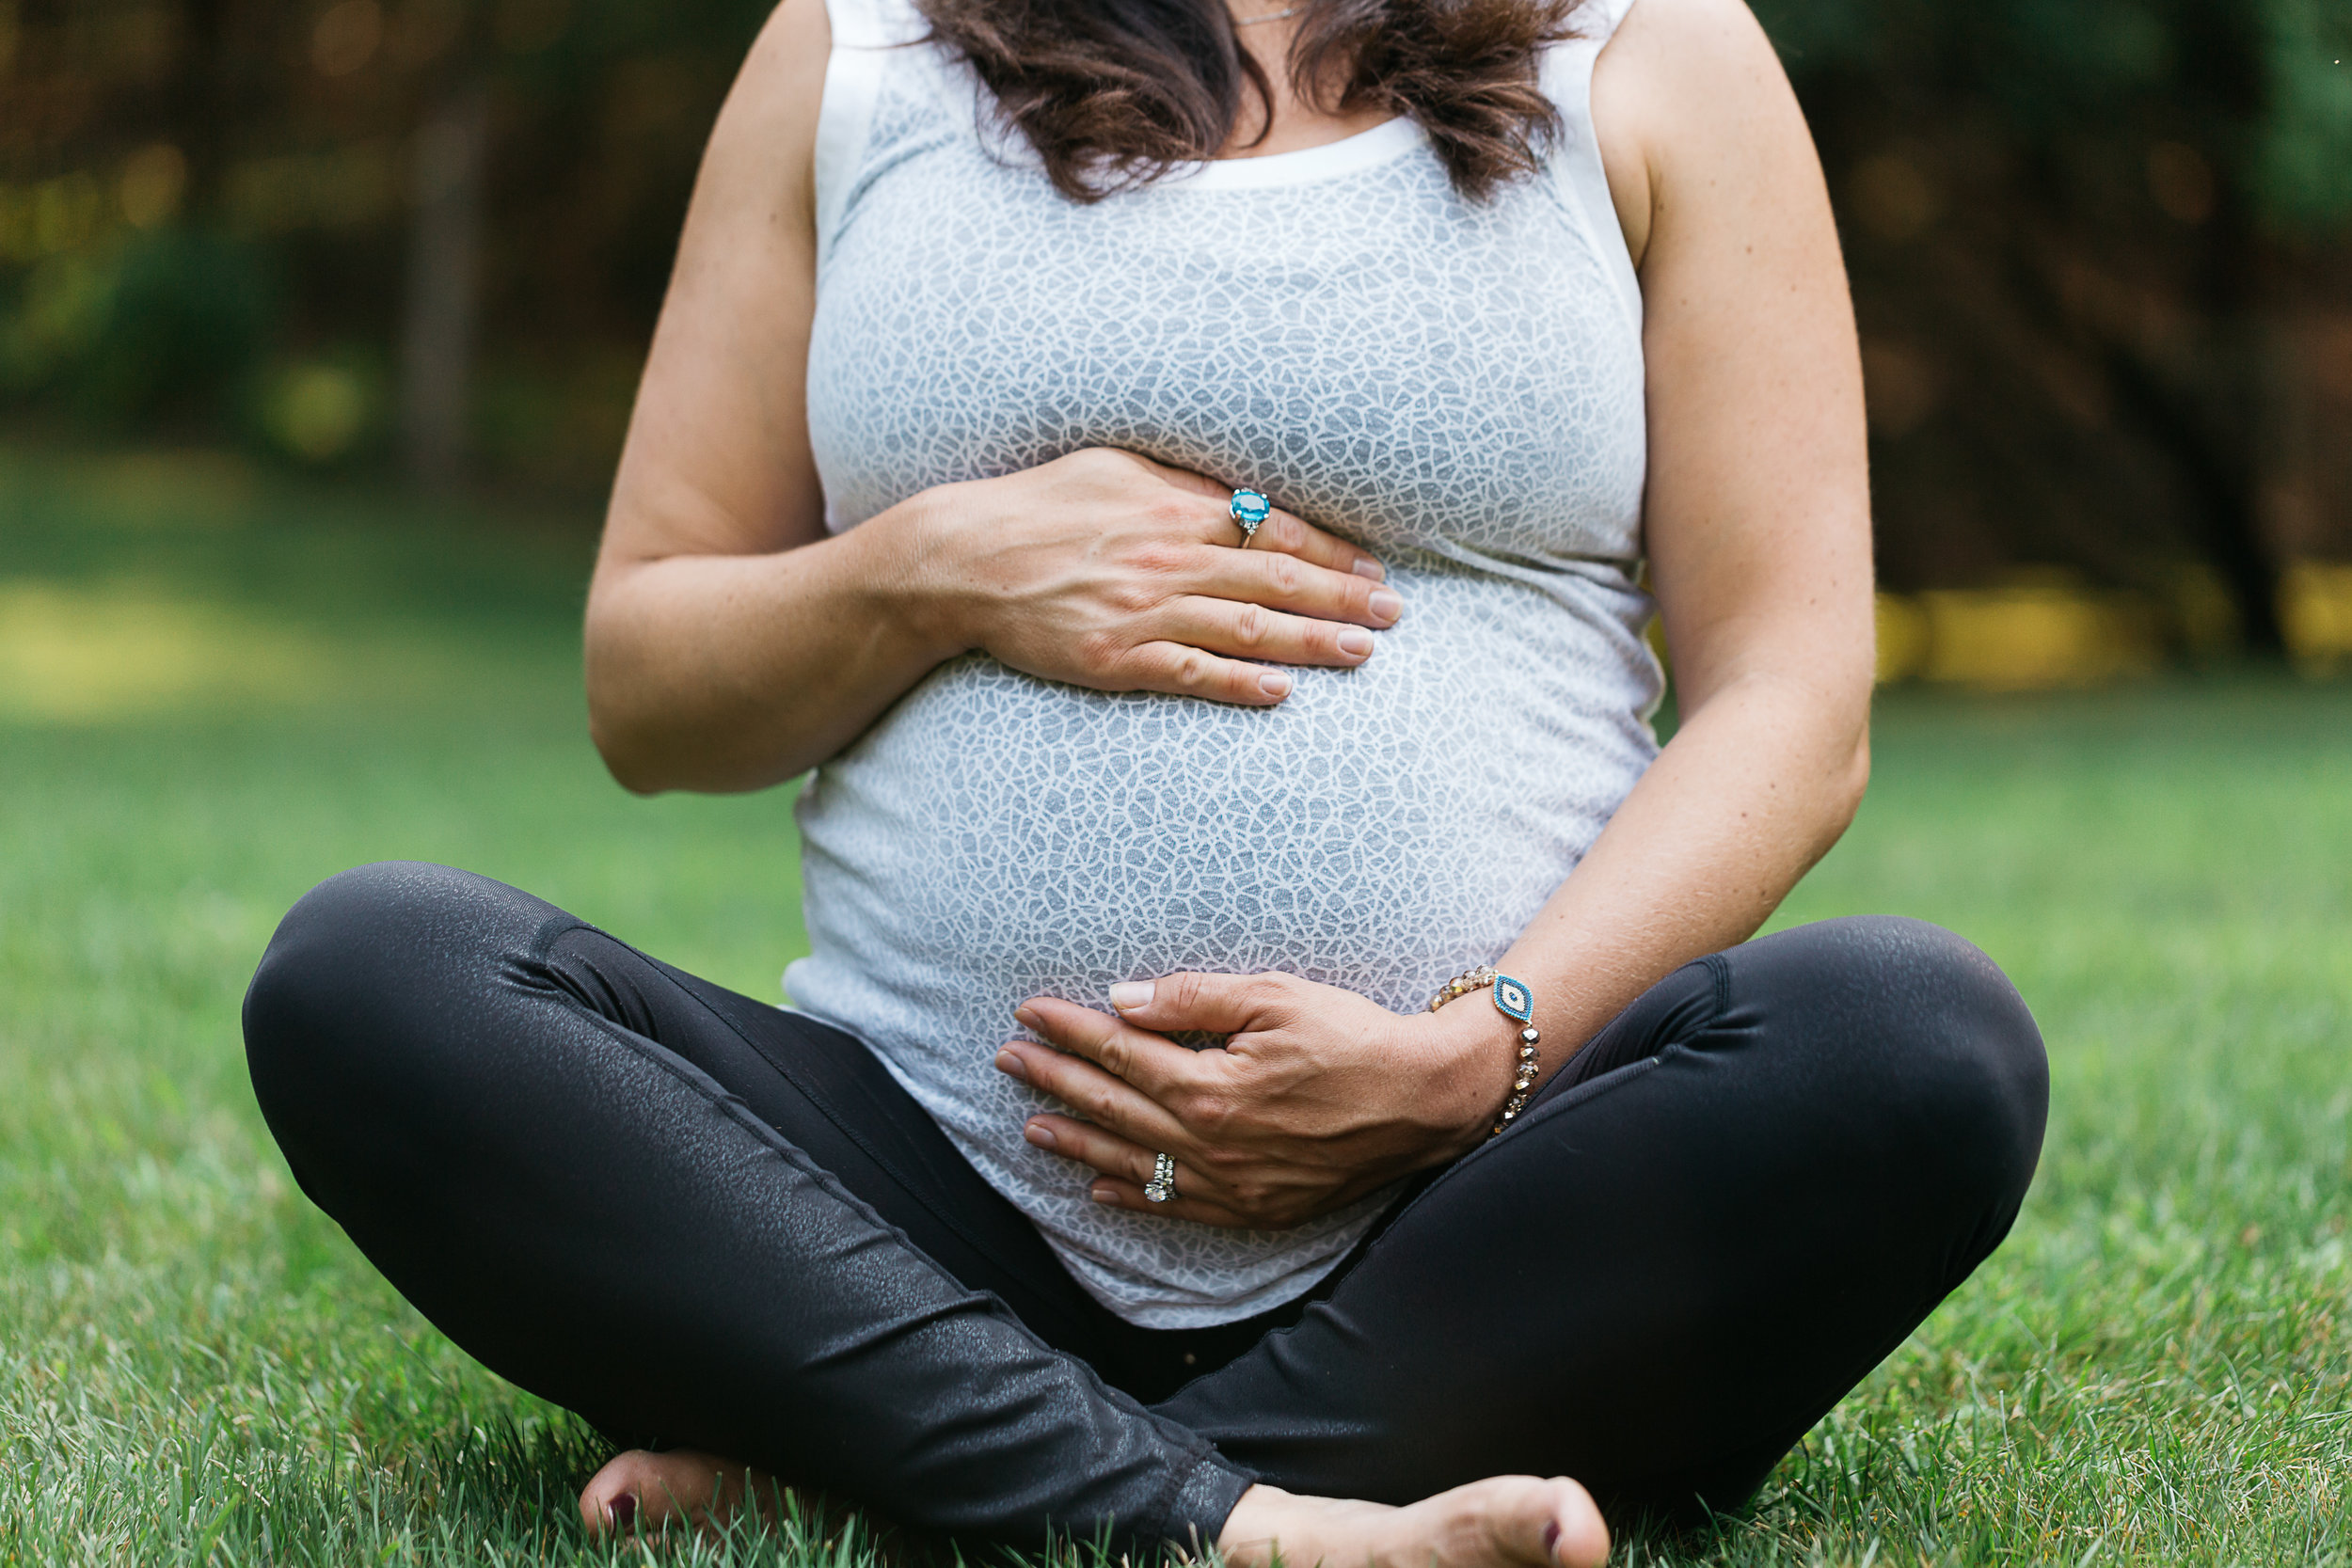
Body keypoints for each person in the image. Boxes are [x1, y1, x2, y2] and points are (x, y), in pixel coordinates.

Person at [241, 0, 2050, 1559]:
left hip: (1474, 1205)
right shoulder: (854, 50)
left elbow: (1795, 694)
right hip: (915, 1196)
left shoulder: (1655, 51)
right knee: (374, 975)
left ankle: (932, 1473)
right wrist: (930, 566)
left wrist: (1462, 1060)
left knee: (1917, 1042)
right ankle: (1242, 1518)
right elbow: (648, 685)